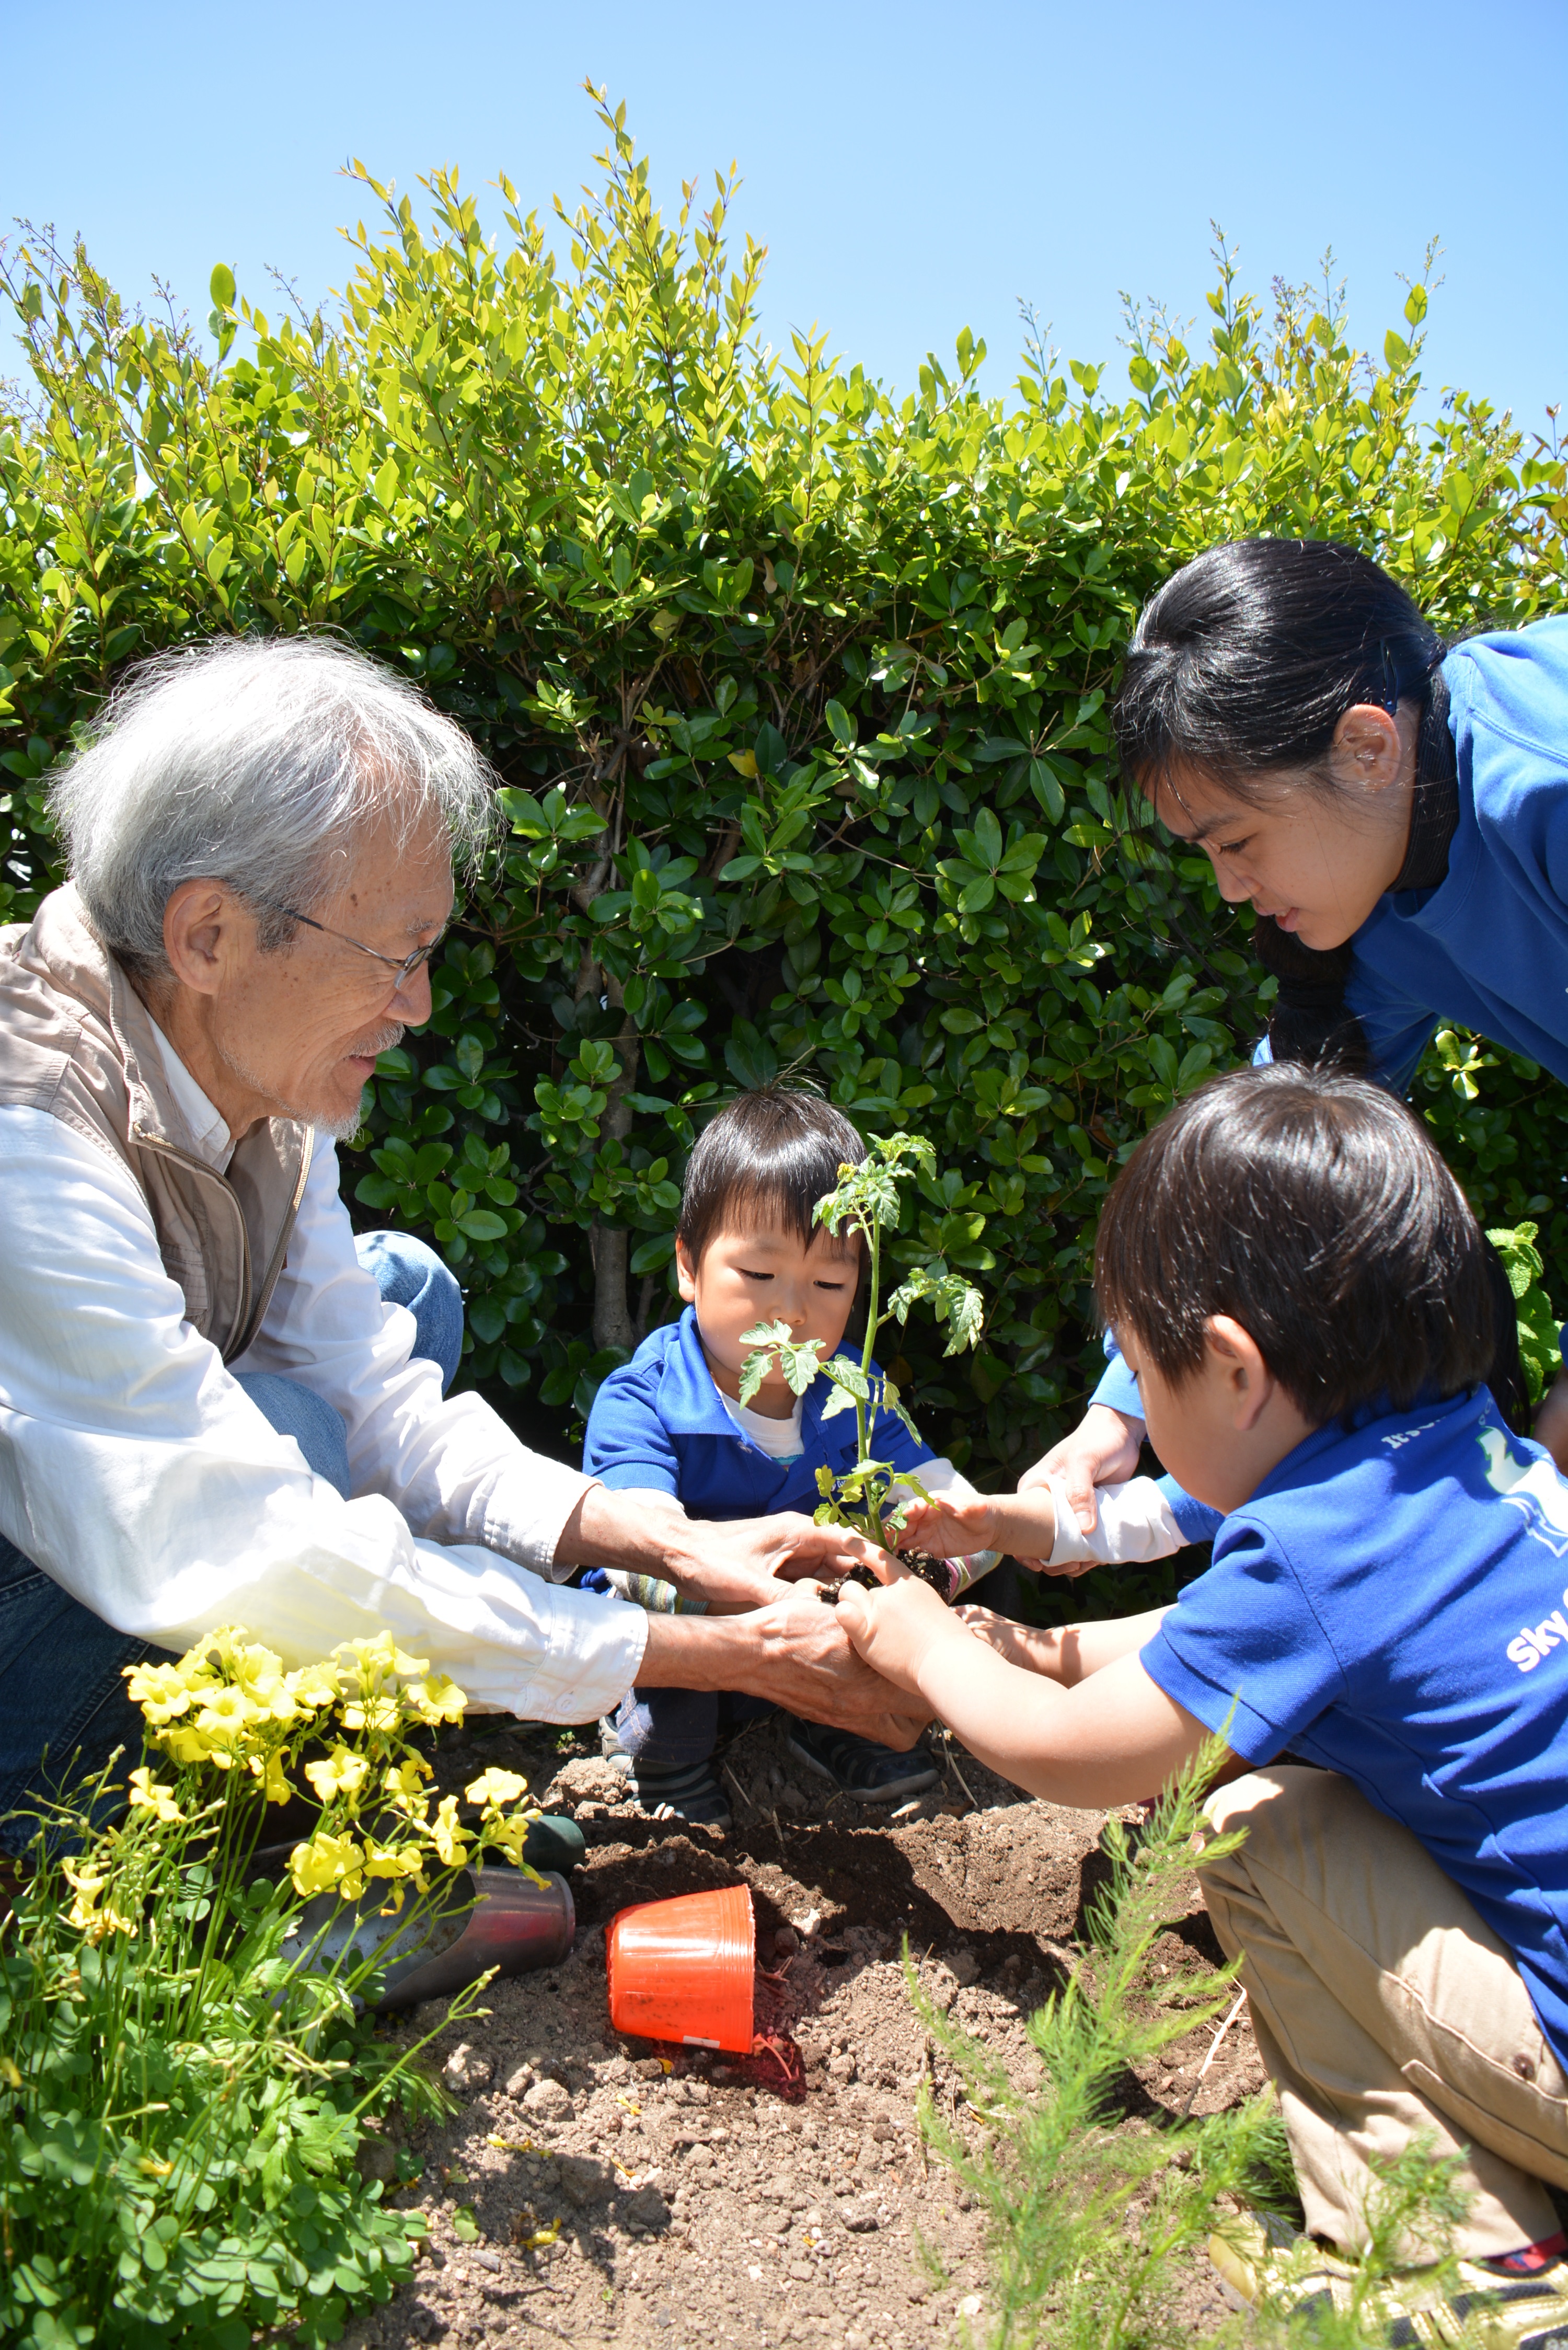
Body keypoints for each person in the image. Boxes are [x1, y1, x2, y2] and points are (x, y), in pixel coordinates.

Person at [0, 634, 928, 1859]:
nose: (421, 1004)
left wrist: (671, 1541)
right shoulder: (31, 1127)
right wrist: (695, 1650)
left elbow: (384, 1406)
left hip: (140, 1511)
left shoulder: (262, 1085)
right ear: (209, 935)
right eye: (395, 955)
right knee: (293, 1443)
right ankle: (138, 1839)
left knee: (394, 1310)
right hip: (103, 1577)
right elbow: (227, 1534)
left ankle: (306, 1740)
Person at [840, 1062, 1568, 2329]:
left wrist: (922, 1647)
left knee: (1258, 1831)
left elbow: (1081, 1758)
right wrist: (1043, 1644)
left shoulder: (1310, 1557)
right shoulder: (1461, 1446)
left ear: (1232, 1370)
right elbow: (1222, 1642)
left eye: (1138, 1366)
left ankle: (1461, 2261)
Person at [1027, 539, 1568, 1546]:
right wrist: (1128, 1405)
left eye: (1237, 842)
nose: (1231, 888)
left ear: (1369, 747)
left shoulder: (1548, 786)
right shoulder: (1373, 903)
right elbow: (1278, 1169)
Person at [582, 1088, 997, 1825]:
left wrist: (931, 1561)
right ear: (688, 1266)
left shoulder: (854, 1396)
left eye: (830, 1284)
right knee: (669, 1669)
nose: (793, 1312)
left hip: (823, 1628)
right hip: (691, 1639)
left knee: (881, 1626)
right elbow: (640, 1566)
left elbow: (954, 1509)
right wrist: (770, 1593)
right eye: (759, 1276)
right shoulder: (644, 1401)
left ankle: (834, 1721)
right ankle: (660, 1753)